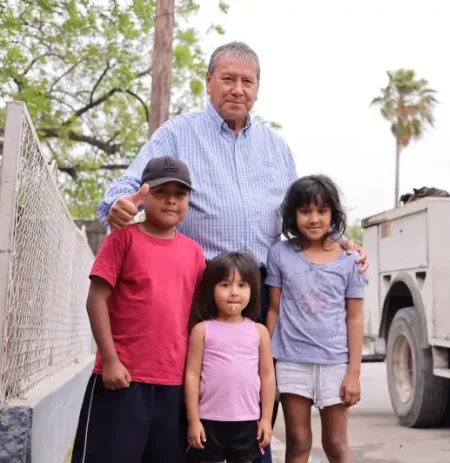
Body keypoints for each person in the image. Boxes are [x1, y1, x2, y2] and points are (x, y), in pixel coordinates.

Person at [95, 41, 368, 462]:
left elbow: (301, 217)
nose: (237, 89)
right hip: (200, 293)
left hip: (259, 295)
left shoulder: (277, 148)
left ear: (257, 89)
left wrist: (339, 243)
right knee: (198, 407)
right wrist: (116, 204)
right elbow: (133, 183)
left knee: (252, 410)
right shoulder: (178, 134)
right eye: (227, 79)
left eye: (247, 81)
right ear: (208, 82)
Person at [71, 156, 206, 463]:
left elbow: (196, 318)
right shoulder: (122, 240)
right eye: (161, 192)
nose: (171, 200)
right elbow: (96, 300)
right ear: (144, 196)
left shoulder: (194, 253)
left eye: (180, 193)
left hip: (173, 384)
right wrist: (110, 360)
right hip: (123, 378)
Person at [265, 175, 365, 463]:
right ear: (292, 214)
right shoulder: (280, 254)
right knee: (298, 441)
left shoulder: (350, 260)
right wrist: (267, 363)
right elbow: (274, 309)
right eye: (305, 210)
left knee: (335, 442)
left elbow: (355, 319)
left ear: (333, 214)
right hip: (291, 361)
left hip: (335, 363)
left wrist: (354, 373)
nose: (313, 219)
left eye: (322, 211)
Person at [184, 252, 275, 463]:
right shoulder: (202, 330)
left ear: (253, 289)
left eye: (242, 285)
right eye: (225, 285)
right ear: (211, 289)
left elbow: (268, 376)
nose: (234, 292)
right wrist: (194, 420)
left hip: (247, 421)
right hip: (208, 420)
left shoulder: (259, 332)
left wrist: (266, 419)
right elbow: (192, 376)